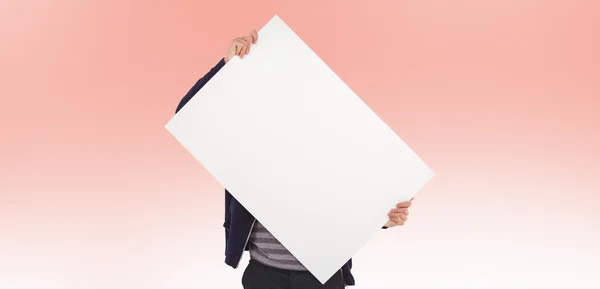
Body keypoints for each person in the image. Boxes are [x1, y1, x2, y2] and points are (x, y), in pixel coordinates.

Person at [175, 29, 413, 289]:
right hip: (263, 273)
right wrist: (226, 67)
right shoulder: (246, 130)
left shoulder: (334, 136)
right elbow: (187, 115)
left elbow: (352, 192)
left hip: (323, 275)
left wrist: (380, 218)